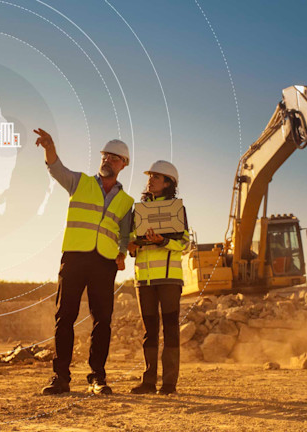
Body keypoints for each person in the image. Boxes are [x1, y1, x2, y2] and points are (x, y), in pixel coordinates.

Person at [34, 128, 134, 396]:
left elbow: (125, 234)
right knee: (64, 317)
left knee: (103, 320)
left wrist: (122, 253)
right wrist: (49, 147)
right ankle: (61, 377)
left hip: (104, 262)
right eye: (105, 156)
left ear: (123, 164)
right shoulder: (80, 182)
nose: (108, 161)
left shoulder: (126, 201)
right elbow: (56, 169)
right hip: (75, 257)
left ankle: (97, 378)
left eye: (115, 158)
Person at [127, 160, 189, 395]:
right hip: (144, 280)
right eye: (150, 176)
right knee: (149, 332)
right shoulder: (139, 210)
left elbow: (185, 244)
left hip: (169, 280)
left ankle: (170, 384)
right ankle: (148, 382)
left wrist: (162, 241)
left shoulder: (177, 210)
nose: (150, 180)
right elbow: (132, 242)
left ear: (168, 183)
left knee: (171, 329)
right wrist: (132, 245)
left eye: (156, 176)